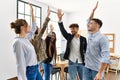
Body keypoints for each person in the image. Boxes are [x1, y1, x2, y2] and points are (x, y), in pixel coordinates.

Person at [10, 4, 42, 80]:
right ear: (22, 27)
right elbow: (20, 64)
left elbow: (34, 27)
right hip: (29, 71)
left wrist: (32, 13)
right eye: (28, 25)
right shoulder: (18, 42)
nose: (30, 27)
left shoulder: (25, 39)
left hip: (35, 68)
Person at [57, 9, 87, 80]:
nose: (71, 30)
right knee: (72, 78)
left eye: (73, 28)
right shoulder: (69, 37)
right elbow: (63, 30)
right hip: (72, 62)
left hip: (81, 62)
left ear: (77, 29)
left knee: (83, 78)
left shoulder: (83, 39)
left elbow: (86, 50)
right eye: (71, 29)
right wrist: (60, 19)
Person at [83, 1, 110, 80]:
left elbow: (106, 57)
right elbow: (88, 20)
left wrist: (100, 73)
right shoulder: (90, 34)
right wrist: (93, 11)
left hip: (96, 69)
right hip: (86, 67)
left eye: (91, 23)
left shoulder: (103, 38)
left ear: (97, 25)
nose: (89, 24)